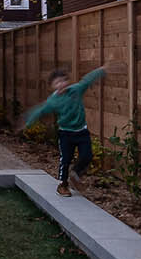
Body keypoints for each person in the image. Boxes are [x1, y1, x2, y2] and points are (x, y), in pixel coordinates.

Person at [21, 63, 107, 195]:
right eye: (57, 82)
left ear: (67, 81)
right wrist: (27, 122)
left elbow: (87, 80)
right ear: (52, 86)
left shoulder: (76, 89)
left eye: (63, 80)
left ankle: (75, 173)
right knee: (65, 159)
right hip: (65, 134)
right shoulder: (53, 101)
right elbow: (40, 111)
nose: (61, 84)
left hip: (82, 132)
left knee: (87, 156)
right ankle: (63, 185)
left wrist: (101, 70)